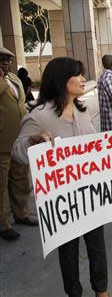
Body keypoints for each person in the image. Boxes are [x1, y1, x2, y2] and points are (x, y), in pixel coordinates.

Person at [12, 57, 112, 297]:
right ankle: (73, 292)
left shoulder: (81, 111)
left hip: (90, 196)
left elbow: (94, 145)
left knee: (97, 245)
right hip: (63, 202)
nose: (84, 79)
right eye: (79, 75)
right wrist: (33, 141)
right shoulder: (39, 116)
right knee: (68, 250)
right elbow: (18, 151)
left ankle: (101, 290)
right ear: (62, 79)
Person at [0, 46, 38, 241]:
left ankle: (21, 213)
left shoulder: (15, 79)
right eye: (1, 60)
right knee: (2, 184)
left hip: (19, 139)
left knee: (20, 179)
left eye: (7, 59)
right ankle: (3, 223)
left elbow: (20, 102)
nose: (5, 63)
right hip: (2, 142)